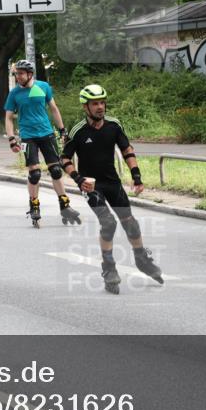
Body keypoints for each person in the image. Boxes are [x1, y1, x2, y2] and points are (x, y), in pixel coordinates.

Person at [61, 84, 163, 295]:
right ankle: (108, 268)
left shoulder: (114, 125)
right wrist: (78, 179)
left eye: (102, 103)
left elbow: (127, 149)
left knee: (131, 225)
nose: (100, 107)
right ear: (86, 107)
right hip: (92, 186)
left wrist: (136, 176)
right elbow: (64, 159)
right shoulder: (78, 130)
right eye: (95, 104)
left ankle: (142, 259)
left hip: (113, 183)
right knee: (108, 223)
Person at [3, 59, 81, 227]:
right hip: (28, 136)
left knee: (56, 171)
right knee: (35, 174)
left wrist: (62, 130)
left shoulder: (43, 87)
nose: (18, 77)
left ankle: (65, 206)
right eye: (16, 74)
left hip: (46, 133)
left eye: (21, 74)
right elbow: (8, 118)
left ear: (30, 74)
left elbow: (54, 108)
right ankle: (34, 205)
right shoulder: (14, 93)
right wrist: (11, 139)